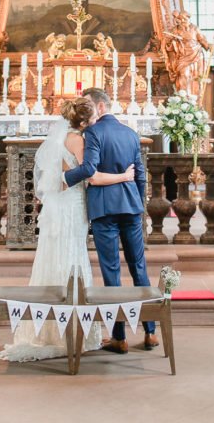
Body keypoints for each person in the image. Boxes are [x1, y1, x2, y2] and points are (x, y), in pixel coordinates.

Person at [0, 97, 135, 362]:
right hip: (71, 205)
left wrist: (61, 181)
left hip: (59, 204)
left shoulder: (62, 137)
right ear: (83, 121)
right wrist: (123, 177)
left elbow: (62, 174)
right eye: (94, 118)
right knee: (71, 256)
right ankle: (68, 330)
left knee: (54, 255)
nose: (97, 122)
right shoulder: (78, 140)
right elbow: (90, 172)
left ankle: (48, 328)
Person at [64, 87, 158, 354]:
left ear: (100, 107)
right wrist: (139, 204)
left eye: (89, 108)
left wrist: (63, 180)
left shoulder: (93, 133)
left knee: (111, 272)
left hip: (105, 208)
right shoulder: (130, 133)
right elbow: (140, 175)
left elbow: (90, 169)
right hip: (131, 207)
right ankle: (151, 332)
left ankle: (119, 337)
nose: (88, 114)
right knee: (139, 267)